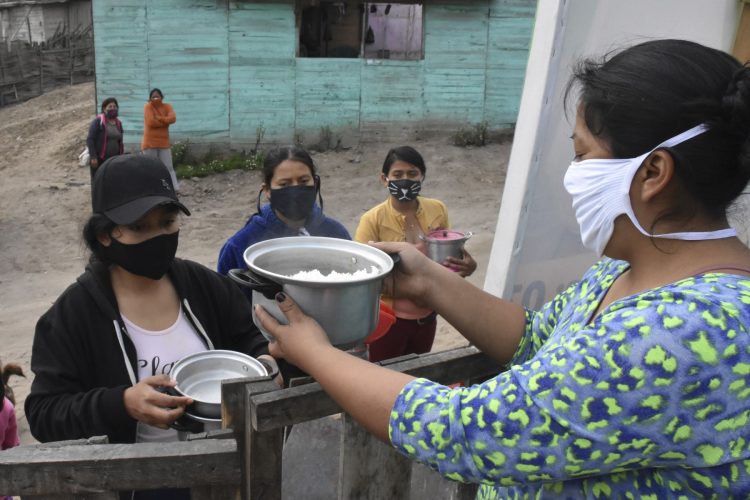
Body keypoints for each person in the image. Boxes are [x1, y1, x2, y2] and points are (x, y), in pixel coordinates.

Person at [256, 39, 750, 497]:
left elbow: (464, 430)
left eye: (584, 156)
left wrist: (316, 354)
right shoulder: (630, 268)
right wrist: (428, 280)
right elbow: (537, 342)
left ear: (653, 173)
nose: (572, 176)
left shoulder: (682, 332)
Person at [25, 154, 276, 500]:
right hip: (133, 484)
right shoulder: (73, 314)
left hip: (220, 473)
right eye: (140, 227)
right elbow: (43, 414)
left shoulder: (203, 285)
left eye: (168, 221)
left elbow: (248, 340)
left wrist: (266, 362)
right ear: (106, 235)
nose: (158, 236)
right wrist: (121, 404)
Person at [354, 146, 476, 362]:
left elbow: (445, 256)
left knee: (417, 376)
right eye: (397, 175)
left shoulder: (437, 209)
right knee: (385, 378)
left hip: (427, 319)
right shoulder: (372, 219)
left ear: (422, 177)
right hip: (388, 321)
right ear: (384, 179)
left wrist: (466, 266)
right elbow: (359, 272)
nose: (405, 180)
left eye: (412, 174)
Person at [217, 145, 351, 286]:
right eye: (284, 184)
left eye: (303, 181)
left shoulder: (336, 236)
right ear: (267, 190)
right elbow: (226, 303)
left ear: (315, 183)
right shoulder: (240, 246)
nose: (295, 190)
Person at [142, 88, 178, 189]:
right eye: (153, 96)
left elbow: (173, 118)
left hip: (164, 143)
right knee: (150, 167)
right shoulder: (147, 107)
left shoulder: (167, 106)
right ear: (150, 98)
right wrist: (165, 122)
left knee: (168, 167)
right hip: (149, 144)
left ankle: (173, 188)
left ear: (162, 97)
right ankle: (150, 189)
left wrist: (160, 118)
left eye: (158, 96)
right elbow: (151, 122)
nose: (156, 98)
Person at [86, 97, 123, 183]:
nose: (113, 108)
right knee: (98, 181)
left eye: (114, 106)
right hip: (100, 159)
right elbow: (90, 139)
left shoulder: (118, 123)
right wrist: (93, 157)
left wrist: (121, 156)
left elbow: (120, 142)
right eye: (110, 107)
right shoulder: (98, 121)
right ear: (104, 109)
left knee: (111, 181)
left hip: (114, 159)